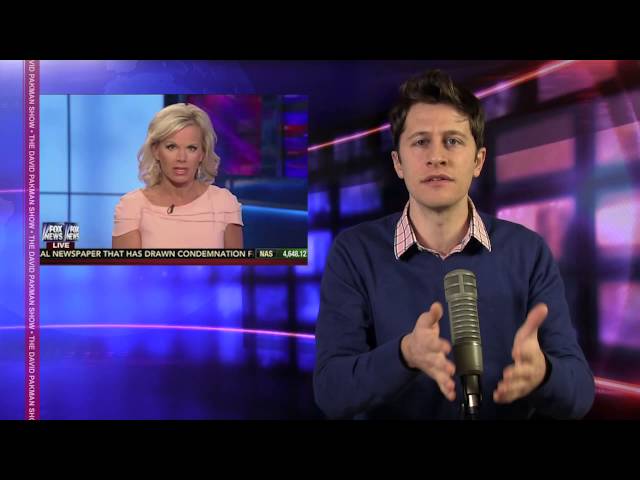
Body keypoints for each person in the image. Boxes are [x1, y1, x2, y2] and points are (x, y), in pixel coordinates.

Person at [313, 70, 595, 420]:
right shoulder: (355, 252)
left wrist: (545, 375)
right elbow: (331, 391)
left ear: (478, 161)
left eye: (453, 141)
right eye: (420, 142)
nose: (437, 157)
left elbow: (580, 394)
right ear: (398, 163)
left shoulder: (528, 252)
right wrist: (404, 355)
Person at [112, 103, 243, 249]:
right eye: (171, 147)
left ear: (202, 153)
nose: (181, 158)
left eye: (191, 148)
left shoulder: (224, 203)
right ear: (156, 151)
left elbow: (235, 263)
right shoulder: (132, 207)